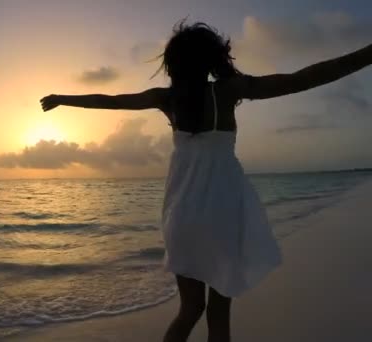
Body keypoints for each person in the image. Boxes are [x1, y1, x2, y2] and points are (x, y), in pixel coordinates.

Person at [40, 21, 372, 342]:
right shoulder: (229, 91)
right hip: (223, 213)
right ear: (213, 58)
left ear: (174, 63)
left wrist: (62, 98)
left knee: (189, 309)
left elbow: (109, 100)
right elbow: (304, 78)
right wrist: (366, 55)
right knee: (218, 314)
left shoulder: (166, 99)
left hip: (181, 217)